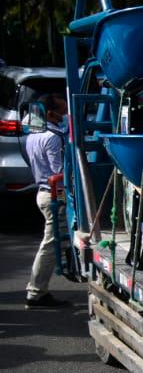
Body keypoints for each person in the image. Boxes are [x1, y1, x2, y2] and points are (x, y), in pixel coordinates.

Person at [24, 95, 69, 308]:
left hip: (43, 193)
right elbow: (58, 171)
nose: (65, 116)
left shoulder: (33, 135)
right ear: (50, 113)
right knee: (50, 244)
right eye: (62, 111)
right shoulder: (52, 137)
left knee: (54, 242)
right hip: (53, 195)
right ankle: (36, 292)